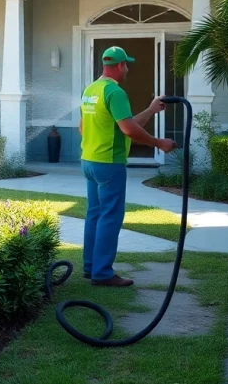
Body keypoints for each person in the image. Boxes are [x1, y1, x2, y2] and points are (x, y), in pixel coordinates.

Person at [79, 46, 176, 287]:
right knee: (110, 216)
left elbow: (88, 127)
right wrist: (159, 143)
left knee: (95, 214)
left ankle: (91, 267)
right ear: (121, 66)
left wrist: (151, 110)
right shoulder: (115, 92)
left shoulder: (91, 90)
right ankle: (102, 273)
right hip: (109, 163)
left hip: (89, 161)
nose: (128, 69)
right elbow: (129, 130)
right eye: (127, 65)